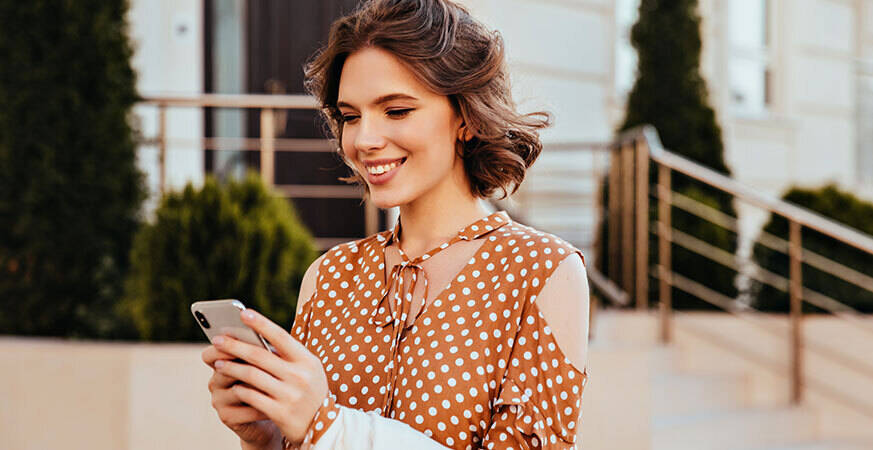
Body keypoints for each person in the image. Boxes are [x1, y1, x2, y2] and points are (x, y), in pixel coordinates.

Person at [201, 0, 590, 448]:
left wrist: (327, 428)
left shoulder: (542, 271)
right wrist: (266, 437)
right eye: (350, 116)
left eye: (397, 110)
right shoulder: (329, 276)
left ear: (465, 116)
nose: (364, 139)